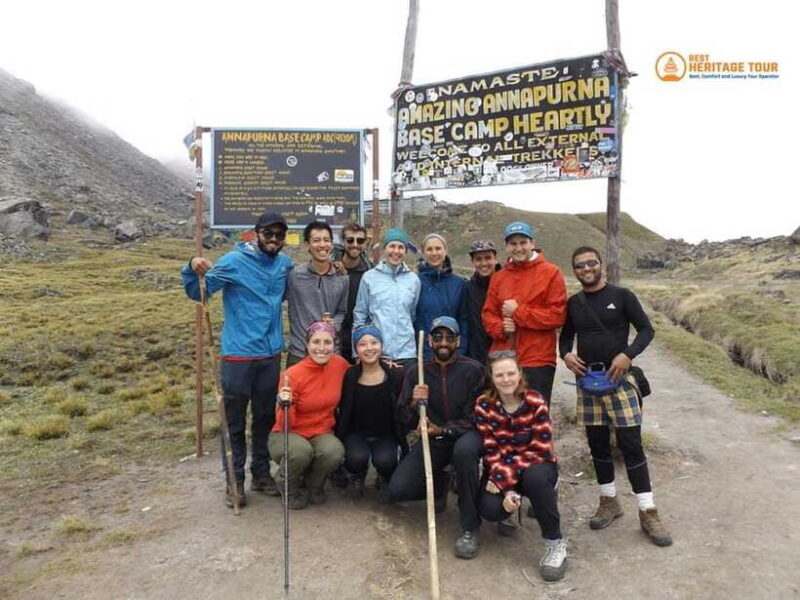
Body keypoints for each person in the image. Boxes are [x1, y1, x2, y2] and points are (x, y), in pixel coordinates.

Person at [559, 246, 672, 547]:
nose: (586, 269)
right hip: (588, 382)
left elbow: (646, 330)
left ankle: (648, 510)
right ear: (575, 271)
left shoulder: (623, 296)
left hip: (620, 381)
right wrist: (566, 356)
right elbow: (565, 336)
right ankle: (609, 500)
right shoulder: (574, 303)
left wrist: (627, 355)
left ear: (601, 266)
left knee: (631, 444)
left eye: (590, 264)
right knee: (597, 443)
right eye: (579, 266)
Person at [181, 211, 293, 506]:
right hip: (238, 356)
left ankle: (260, 474)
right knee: (234, 422)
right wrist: (192, 268)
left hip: (270, 355)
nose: (273, 239)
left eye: (279, 235)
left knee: (265, 418)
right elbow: (199, 292)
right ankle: (234, 481)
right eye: (268, 233)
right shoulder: (233, 261)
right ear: (256, 233)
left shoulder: (284, 264)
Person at [387, 316, 485, 559]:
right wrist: (413, 403)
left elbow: (477, 417)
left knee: (464, 455)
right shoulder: (418, 372)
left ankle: (469, 527)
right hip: (433, 438)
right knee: (397, 490)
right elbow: (404, 417)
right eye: (438, 337)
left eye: (449, 337)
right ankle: (440, 484)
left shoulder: (474, 370)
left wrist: (443, 429)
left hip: (465, 436)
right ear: (430, 340)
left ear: (458, 341)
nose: (443, 342)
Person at [475, 351, 567, 582]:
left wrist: (503, 479)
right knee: (489, 509)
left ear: (519, 374)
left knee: (536, 480)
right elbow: (491, 449)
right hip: (503, 467)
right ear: (492, 377)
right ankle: (511, 507)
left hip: (536, 465)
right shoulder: (484, 406)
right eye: (499, 375)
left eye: (510, 373)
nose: (506, 379)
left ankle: (555, 543)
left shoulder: (535, 401)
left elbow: (541, 449)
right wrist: (507, 491)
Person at [482, 221, 567, 408]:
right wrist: (502, 328)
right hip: (503, 358)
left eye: (523, 242)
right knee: (502, 415)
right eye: (513, 243)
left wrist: (518, 312)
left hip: (538, 358)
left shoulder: (551, 273)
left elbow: (556, 315)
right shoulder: (499, 277)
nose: (518, 248)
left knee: (535, 414)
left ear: (532, 243)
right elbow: (488, 315)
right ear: (506, 246)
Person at [268, 321, 349, 510]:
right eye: (316, 342)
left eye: (327, 342)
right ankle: (287, 485)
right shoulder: (292, 375)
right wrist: (284, 404)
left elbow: (361, 372)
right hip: (287, 432)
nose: (321, 348)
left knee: (333, 451)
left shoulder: (340, 365)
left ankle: (315, 485)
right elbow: (283, 423)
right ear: (307, 344)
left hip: (320, 431)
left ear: (334, 345)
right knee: (300, 451)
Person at [335, 325, 404, 499]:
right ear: (356, 349)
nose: (369, 348)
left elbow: (403, 408)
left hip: (384, 434)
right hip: (356, 433)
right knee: (357, 457)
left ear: (381, 346)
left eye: (374, 343)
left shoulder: (393, 375)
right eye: (362, 344)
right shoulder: (350, 375)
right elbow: (342, 408)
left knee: (386, 460)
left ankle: (384, 476)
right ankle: (357, 475)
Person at [285, 220, 349, 367]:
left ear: (332, 244)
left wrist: (335, 323)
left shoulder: (342, 278)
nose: (322, 245)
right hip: (300, 353)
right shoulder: (294, 276)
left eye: (326, 240)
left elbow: (341, 311)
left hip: (330, 352)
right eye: (316, 240)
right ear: (307, 245)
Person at [352, 228, 420, 366]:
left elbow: (412, 315)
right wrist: (357, 352)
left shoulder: (413, 280)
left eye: (401, 247)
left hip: (407, 354)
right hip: (377, 354)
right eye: (392, 246)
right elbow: (360, 315)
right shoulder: (369, 278)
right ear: (385, 249)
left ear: (405, 251)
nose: (396, 251)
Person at [414, 233, 469, 359]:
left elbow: (463, 320)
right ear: (423, 253)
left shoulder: (459, 284)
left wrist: (460, 352)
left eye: (438, 248)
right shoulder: (415, 282)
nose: (434, 253)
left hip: (452, 354)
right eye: (429, 249)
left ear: (445, 250)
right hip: (424, 354)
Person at [333, 222, 373, 362]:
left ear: (365, 244)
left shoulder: (370, 274)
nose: (355, 244)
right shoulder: (331, 269)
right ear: (343, 242)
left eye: (360, 240)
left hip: (360, 342)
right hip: (333, 341)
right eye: (350, 240)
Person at [464, 239, 501, 365]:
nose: (484, 263)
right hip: (476, 357)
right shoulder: (468, 288)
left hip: (503, 356)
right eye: (478, 259)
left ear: (495, 259)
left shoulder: (507, 284)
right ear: (473, 262)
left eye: (488, 258)